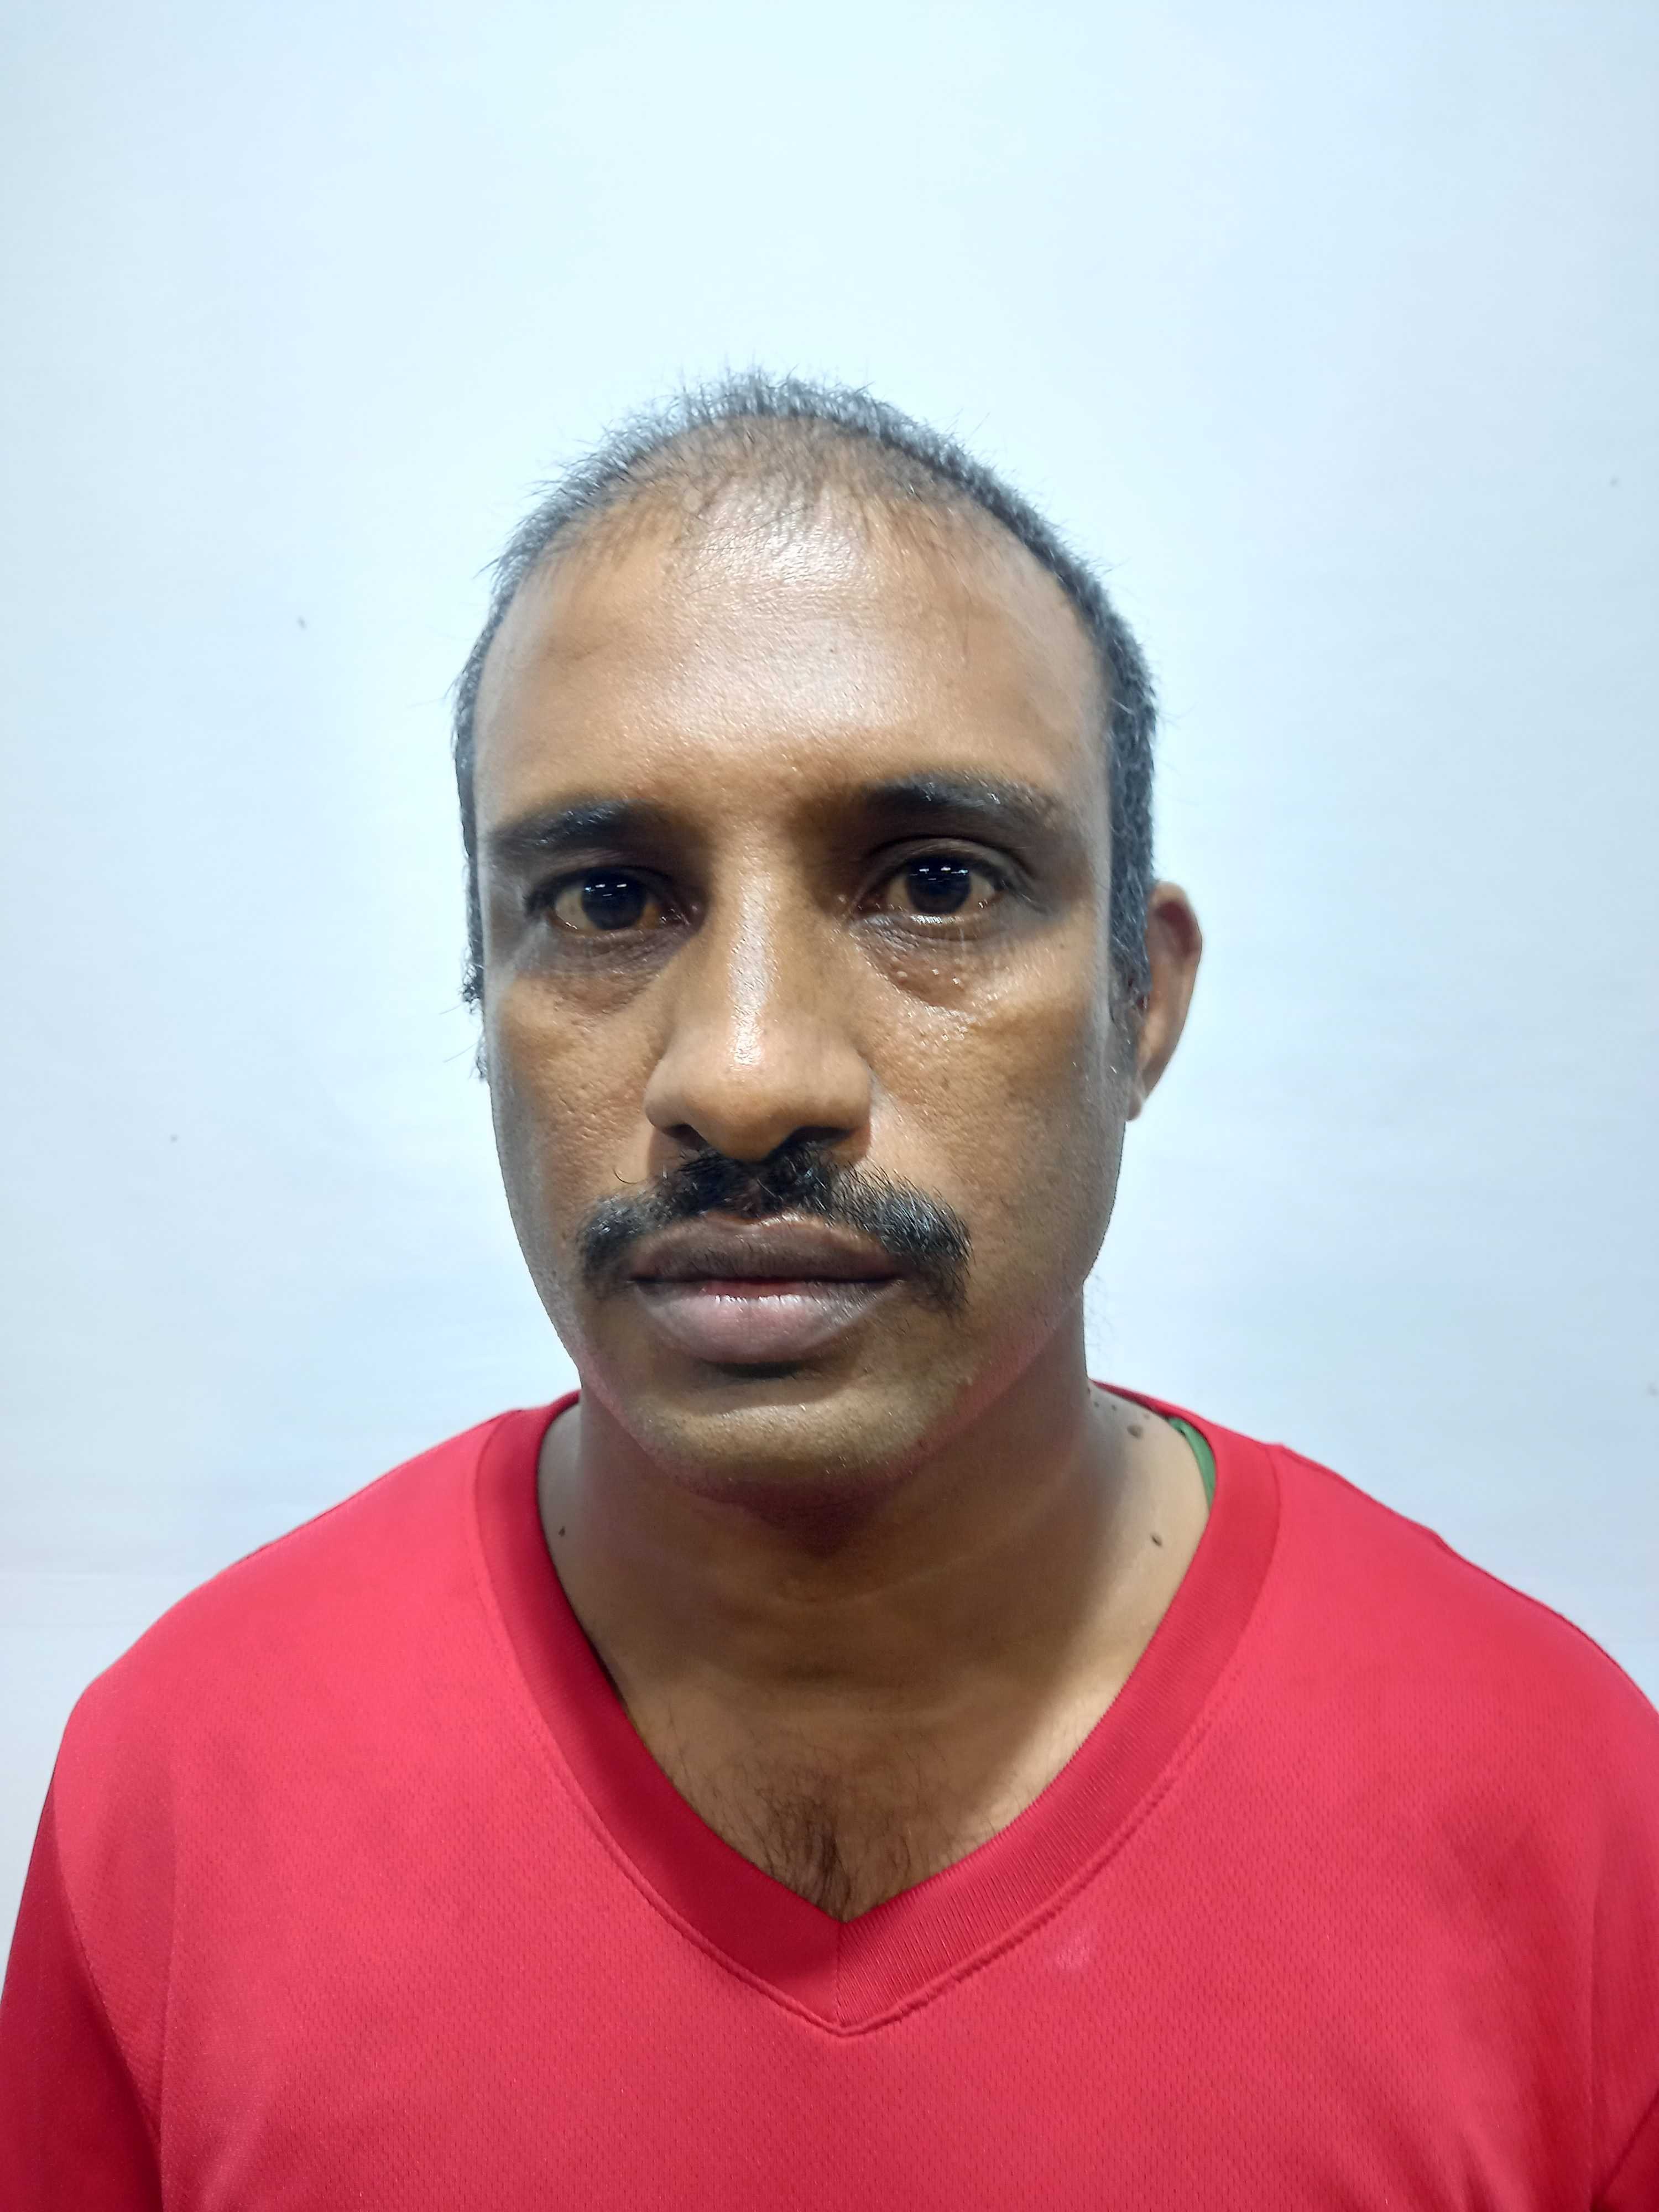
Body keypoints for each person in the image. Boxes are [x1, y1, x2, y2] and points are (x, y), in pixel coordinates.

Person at [3, 374, 1656, 2210]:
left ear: (1143, 1002)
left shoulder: (1565, 1814)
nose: (745, 1074)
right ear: (484, 993)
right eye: (607, 901)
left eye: (936, 885)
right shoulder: (181, 1796)